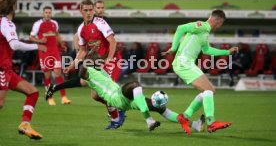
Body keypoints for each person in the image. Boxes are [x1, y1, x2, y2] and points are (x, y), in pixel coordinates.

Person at [45, 48, 206, 132]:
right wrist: (87, 59)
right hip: (115, 98)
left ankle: (194, 125)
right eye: (98, 59)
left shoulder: (98, 71)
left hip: (125, 100)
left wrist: (92, 55)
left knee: (160, 108)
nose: (100, 60)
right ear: (91, 63)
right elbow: (78, 76)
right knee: (135, 84)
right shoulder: (88, 73)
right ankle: (148, 120)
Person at [47, 0, 125, 129]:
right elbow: (83, 51)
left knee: (105, 91)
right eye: (86, 10)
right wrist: (72, 65)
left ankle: (118, 116)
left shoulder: (100, 23)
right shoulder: (81, 28)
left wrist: (110, 58)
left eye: (91, 10)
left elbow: (113, 42)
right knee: (95, 95)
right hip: (98, 62)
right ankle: (120, 107)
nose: (89, 13)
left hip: (112, 60)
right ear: (81, 11)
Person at [162, 10, 239, 135]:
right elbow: (180, 28)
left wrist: (227, 52)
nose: (220, 26)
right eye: (220, 24)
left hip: (188, 63)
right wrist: (174, 48)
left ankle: (185, 116)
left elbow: (207, 49)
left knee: (210, 91)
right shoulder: (201, 26)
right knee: (208, 90)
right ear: (217, 21)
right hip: (184, 62)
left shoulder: (205, 33)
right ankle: (211, 122)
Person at [0, 0, 46, 139]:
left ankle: (25, 124)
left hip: (7, 69)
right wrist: (37, 46)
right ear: (13, 6)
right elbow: (14, 44)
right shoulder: (6, 23)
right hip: (1, 67)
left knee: (32, 92)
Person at [29, 6, 71, 106]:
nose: (48, 14)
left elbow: (57, 35)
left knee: (58, 73)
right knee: (47, 76)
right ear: (43, 14)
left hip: (55, 51)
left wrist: (62, 44)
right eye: (46, 12)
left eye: (49, 12)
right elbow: (31, 37)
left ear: (51, 14)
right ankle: (50, 97)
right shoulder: (37, 24)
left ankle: (64, 97)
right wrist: (39, 41)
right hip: (44, 52)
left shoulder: (54, 23)